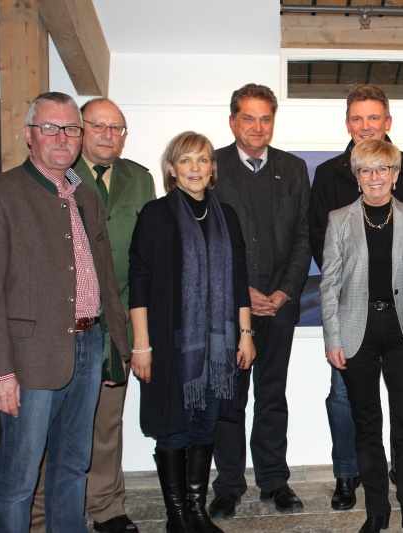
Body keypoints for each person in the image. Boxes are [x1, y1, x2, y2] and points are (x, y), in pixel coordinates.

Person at [0, 91, 129, 532]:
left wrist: (115, 348)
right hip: (31, 360)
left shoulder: (85, 196)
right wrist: (2, 372)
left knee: (73, 466)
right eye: (49, 127)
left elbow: (105, 279)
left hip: (89, 348)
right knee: (18, 480)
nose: (62, 137)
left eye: (71, 129)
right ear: (28, 134)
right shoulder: (5, 193)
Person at [308, 84, 403, 510]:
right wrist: (348, 288)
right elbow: (320, 241)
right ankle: (349, 477)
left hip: (401, 319)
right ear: (348, 123)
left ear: (388, 122)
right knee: (348, 404)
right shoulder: (330, 174)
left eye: (374, 118)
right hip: (352, 314)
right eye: (357, 119)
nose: (366, 126)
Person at [29, 97, 157, 533]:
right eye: (97, 126)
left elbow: (146, 256)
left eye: (116, 128)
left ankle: (106, 507)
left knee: (106, 422)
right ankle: (41, 514)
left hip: (116, 320)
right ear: (81, 131)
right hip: (59, 322)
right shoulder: (57, 175)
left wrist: (139, 332)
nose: (107, 134)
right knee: (48, 425)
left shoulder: (139, 179)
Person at [129, 131, 255, 533]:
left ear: (212, 168)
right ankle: (176, 516)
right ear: (171, 169)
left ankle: (197, 510)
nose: (195, 168)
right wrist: (142, 344)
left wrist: (246, 333)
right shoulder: (155, 214)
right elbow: (140, 282)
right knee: (172, 428)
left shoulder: (226, 215)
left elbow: (238, 278)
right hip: (170, 343)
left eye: (202, 160)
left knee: (205, 426)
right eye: (185, 161)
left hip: (217, 345)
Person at [209, 83, 312, 519]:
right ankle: (228, 485)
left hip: (280, 306)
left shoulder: (292, 168)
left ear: (273, 121)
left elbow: (304, 236)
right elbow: (207, 239)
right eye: (248, 118)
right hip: (232, 308)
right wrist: (242, 293)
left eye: (265, 118)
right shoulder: (211, 165)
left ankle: (274, 481)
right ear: (233, 121)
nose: (257, 127)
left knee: (272, 395)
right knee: (230, 398)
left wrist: (284, 292)